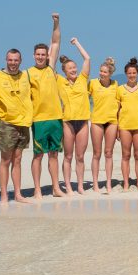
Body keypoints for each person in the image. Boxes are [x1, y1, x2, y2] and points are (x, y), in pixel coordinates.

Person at [0, 49, 34, 204]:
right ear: (6, 60)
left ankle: (17, 193)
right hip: (7, 123)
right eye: (10, 60)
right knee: (6, 159)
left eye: (16, 60)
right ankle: (3, 195)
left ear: (20, 61)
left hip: (24, 123)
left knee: (18, 159)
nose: (13, 63)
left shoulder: (25, 76)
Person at [28, 13, 65, 197]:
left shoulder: (51, 67)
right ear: (34, 56)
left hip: (56, 118)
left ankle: (56, 188)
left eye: (44, 54)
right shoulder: (27, 73)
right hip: (39, 119)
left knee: (54, 155)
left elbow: (56, 41)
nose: (41, 57)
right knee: (38, 155)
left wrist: (56, 22)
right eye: (38, 54)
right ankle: (36, 189)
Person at [57, 38, 91, 195]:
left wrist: (77, 43)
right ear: (64, 70)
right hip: (68, 122)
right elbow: (48, 67)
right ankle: (68, 186)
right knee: (68, 156)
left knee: (80, 156)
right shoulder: (59, 81)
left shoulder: (83, 79)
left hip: (83, 121)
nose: (73, 70)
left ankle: (80, 186)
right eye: (70, 68)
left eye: (74, 67)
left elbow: (87, 58)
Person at [117, 58, 138, 191]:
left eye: (134, 73)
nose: (132, 75)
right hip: (124, 126)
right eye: (129, 73)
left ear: (137, 73)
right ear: (126, 74)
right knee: (125, 155)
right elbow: (117, 111)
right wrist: (117, 129)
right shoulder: (120, 89)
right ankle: (126, 183)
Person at [89, 57, 119, 194]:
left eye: (105, 72)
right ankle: (95, 183)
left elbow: (119, 105)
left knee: (109, 153)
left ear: (110, 73)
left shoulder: (115, 84)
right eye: (100, 71)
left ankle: (108, 183)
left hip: (112, 121)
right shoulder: (93, 83)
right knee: (96, 153)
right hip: (97, 121)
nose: (101, 73)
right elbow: (82, 98)